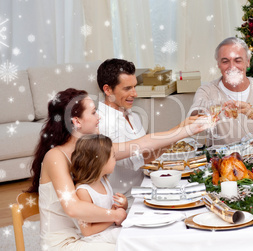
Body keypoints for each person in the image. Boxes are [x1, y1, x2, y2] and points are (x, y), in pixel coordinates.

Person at [27, 88, 208, 250]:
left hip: (90, 234)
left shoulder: (91, 149)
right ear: (77, 121)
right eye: (93, 112)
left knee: (146, 238)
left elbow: (142, 144)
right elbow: (72, 207)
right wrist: (114, 214)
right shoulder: (55, 157)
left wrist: (185, 129)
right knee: (138, 244)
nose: (99, 117)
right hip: (65, 244)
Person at [189, 37, 253, 148]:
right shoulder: (207, 91)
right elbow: (194, 116)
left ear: (248, 62)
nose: (232, 67)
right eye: (225, 61)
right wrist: (204, 113)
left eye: (238, 60)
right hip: (224, 163)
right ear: (218, 64)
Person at [97, 59, 158, 206]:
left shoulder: (133, 116)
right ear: (107, 90)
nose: (135, 94)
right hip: (124, 203)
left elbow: (147, 152)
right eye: (127, 88)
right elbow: (135, 161)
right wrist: (176, 135)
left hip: (144, 188)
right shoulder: (101, 122)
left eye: (135, 87)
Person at [71, 134, 127, 244]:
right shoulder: (84, 191)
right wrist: (114, 217)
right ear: (101, 162)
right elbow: (87, 231)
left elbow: (113, 210)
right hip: (95, 238)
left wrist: (123, 205)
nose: (115, 160)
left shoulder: (104, 181)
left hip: (110, 229)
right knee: (130, 238)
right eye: (113, 156)